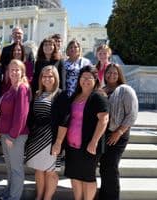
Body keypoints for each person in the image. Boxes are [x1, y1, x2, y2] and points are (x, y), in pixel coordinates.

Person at [52, 65, 109, 200]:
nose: (86, 80)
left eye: (89, 78)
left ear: (96, 80)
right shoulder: (75, 96)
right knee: (75, 175)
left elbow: (104, 120)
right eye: (83, 77)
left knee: (87, 177)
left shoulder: (98, 97)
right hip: (72, 145)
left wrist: (94, 142)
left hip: (89, 145)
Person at [98, 64, 138, 200]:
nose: (111, 75)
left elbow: (132, 114)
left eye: (115, 73)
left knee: (111, 166)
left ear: (119, 74)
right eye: (109, 72)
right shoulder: (102, 90)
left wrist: (119, 132)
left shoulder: (125, 90)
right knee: (104, 167)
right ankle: (104, 195)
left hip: (119, 134)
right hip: (104, 134)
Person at [25, 65, 65, 200]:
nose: (47, 79)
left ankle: (47, 198)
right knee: (39, 170)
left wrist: (58, 142)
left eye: (50, 76)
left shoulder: (61, 95)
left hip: (51, 139)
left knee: (51, 172)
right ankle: (39, 196)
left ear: (56, 78)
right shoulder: (37, 94)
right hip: (36, 138)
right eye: (44, 76)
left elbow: (64, 122)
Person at [0, 59, 31, 200]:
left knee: (16, 169)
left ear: (22, 72)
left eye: (17, 69)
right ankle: (9, 193)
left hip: (15, 135)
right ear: (8, 72)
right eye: (12, 69)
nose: (14, 72)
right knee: (10, 168)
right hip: (6, 134)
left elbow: (21, 115)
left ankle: (14, 197)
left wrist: (12, 135)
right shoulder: (11, 88)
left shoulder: (22, 88)